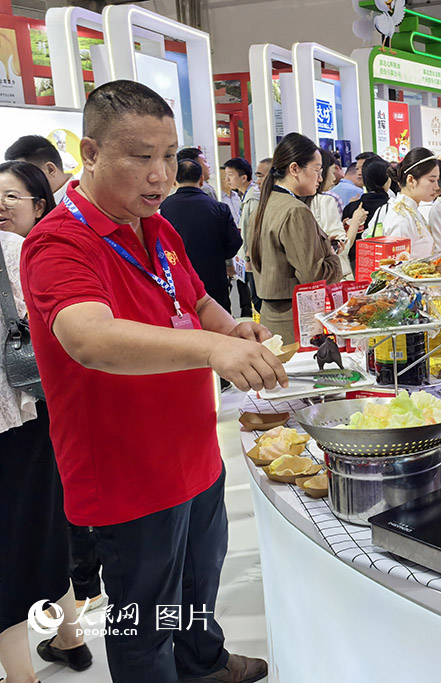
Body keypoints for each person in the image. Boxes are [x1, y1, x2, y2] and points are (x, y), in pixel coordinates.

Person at [22, 80, 283, 683]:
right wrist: (211, 348)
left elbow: (196, 301)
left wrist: (233, 329)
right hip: (127, 471)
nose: (161, 174)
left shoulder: (157, 228)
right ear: (90, 153)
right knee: (142, 621)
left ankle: (203, 664)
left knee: (199, 581)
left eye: (169, 156)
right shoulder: (59, 242)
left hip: (192, 450)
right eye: (141, 157)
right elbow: (91, 338)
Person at [0, 161, 93, 683]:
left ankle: (20, 675)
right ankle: (70, 637)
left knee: (9, 546)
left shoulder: (20, 250)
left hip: (14, 417)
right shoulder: (18, 250)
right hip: (35, 407)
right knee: (45, 526)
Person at [249, 133, 343, 342]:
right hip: (293, 323)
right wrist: (332, 256)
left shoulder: (265, 205)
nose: (320, 178)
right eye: (317, 170)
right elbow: (314, 276)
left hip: (271, 317)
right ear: (294, 169)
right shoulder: (295, 210)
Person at [160, 159, 243, 313]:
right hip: (214, 277)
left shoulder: (163, 209)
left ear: (174, 180)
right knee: (220, 326)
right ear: (201, 180)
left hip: (176, 279)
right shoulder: (219, 208)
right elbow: (234, 243)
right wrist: (218, 255)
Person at [374, 147, 440, 260]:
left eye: (437, 180)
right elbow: (397, 268)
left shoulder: (411, 211)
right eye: (431, 180)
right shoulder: (401, 218)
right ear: (411, 180)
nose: (437, 187)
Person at [310, 147, 354, 280]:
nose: (334, 178)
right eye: (331, 172)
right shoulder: (326, 200)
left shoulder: (294, 201)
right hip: (331, 274)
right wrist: (356, 221)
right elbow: (342, 244)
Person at [342, 155, 389, 276]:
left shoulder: (352, 207)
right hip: (385, 267)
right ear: (387, 179)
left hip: (355, 268)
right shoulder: (391, 207)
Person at [226, 157, 261, 315]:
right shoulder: (244, 196)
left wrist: (248, 256)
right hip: (244, 255)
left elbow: (254, 229)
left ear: (244, 177)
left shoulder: (253, 197)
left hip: (251, 257)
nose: (227, 179)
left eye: (231, 175)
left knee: (256, 297)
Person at [5, 135, 74, 205]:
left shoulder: (81, 199)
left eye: (25, 175)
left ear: (50, 170)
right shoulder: (32, 202)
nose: (21, 183)